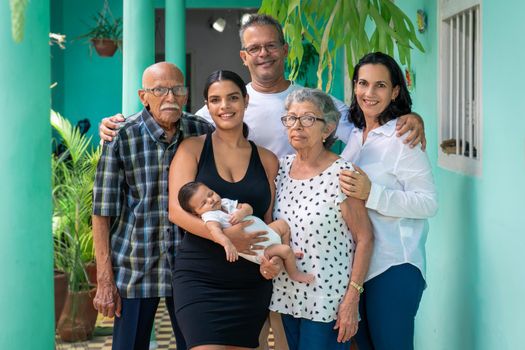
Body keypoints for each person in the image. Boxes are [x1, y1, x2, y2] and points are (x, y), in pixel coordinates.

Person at [97, 14, 426, 349]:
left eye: (271, 46)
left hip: (292, 257)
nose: (263, 53)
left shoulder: (311, 100)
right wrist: (116, 124)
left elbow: (366, 124)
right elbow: (166, 117)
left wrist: (408, 118)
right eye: (254, 48)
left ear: (284, 50)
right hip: (239, 255)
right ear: (243, 56)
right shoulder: (203, 124)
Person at [91, 62, 215, 350]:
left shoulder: (203, 132)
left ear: (186, 95)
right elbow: (102, 212)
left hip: (189, 266)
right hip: (135, 267)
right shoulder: (120, 136)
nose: (170, 97)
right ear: (143, 95)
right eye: (159, 90)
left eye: (177, 89)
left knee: (196, 345)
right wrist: (105, 280)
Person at [168, 69, 280, 349]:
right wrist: (228, 238)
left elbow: (268, 222)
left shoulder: (267, 159)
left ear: (245, 100)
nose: (224, 106)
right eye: (215, 100)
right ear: (207, 105)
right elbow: (176, 212)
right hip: (201, 278)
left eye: (232, 98)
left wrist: (273, 260)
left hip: (252, 282)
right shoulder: (191, 149)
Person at [338, 52, 438, 350]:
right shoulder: (354, 135)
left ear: (395, 91)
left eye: (380, 85)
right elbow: (306, 103)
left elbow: (428, 203)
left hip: (394, 266)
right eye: (363, 83)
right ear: (354, 87)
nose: (369, 93)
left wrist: (372, 193)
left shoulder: (403, 138)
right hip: (359, 267)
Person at [269, 87, 374, 350]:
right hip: (288, 292)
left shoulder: (344, 174)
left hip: (328, 298)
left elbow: (364, 238)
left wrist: (352, 297)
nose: (297, 126)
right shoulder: (281, 169)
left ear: (327, 129)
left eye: (308, 119)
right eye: (291, 118)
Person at [178, 181, 315, 283]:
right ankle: (294, 273)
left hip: (266, 232)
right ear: (197, 214)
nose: (211, 200)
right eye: (204, 203)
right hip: (260, 248)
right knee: (285, 250)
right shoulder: (210, 217)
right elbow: (216, 233)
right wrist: (227, 244)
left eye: (210, 194)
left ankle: (287, 256)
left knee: (282, 225)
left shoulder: (225, 203)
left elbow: (248, 208)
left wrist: (242, 212)